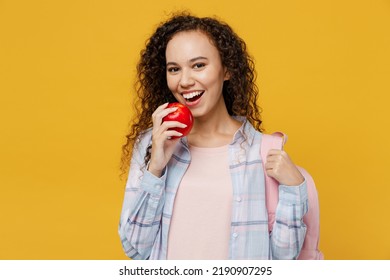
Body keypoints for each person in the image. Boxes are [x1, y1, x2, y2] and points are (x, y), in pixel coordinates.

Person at [118, 13, 308, 260]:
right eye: (174, 69)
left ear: (226, 69)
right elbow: (135, 249)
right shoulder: (152, 144)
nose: (185, 81)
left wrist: (295, 189)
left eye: (198, 65)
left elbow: (284, 258)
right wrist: (155, 168)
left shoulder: (261, 151)